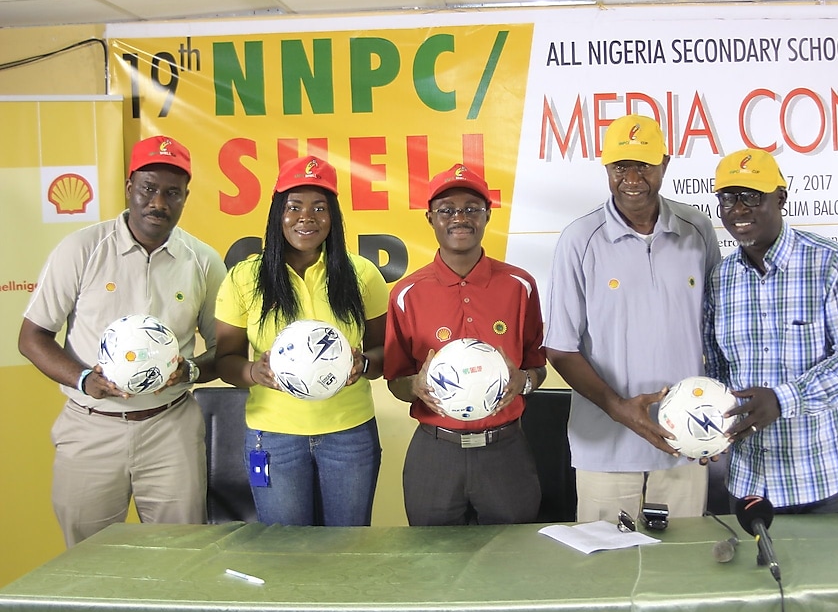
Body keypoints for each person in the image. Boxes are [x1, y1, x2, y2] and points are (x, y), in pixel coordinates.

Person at [18, 135, 227, 547]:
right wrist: (83, 379)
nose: (159, 203)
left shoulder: (203, 261)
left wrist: (195, 369)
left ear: (186, 196)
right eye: (148, 188)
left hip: (171, 427)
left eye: (172, 193)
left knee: (180, 556)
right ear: (129, 186)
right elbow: (33, 337)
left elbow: (227, 350)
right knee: (87, 561)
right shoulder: (81, 249)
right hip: (92, 424)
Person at [544, 114, 721, 522]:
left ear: (665, 163)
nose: (632, 177)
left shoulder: (697, 230)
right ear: (606, 168)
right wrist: (619, 408)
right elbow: (561, 347)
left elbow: (717, 330)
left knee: (679, 569)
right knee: (608, 574)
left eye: (643, 164)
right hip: (606, 448)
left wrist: (716, 414)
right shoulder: (579, 239)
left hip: (685, 438)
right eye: (621, 166)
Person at [703, 149, 838, 513]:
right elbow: (718, 371)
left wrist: (784, 399)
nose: (738, 209)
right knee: (754, 573)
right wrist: (708, 430)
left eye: (752, 196)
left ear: (780, 198)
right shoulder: (721, 279)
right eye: (728, 197)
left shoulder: (832, 262)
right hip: (749, 483)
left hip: (826, 478)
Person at [214, 155, 388, 527]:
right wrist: (251, 371)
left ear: (333, 217)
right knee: (287, 554)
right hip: (274, 436)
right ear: (278, 213)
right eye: (294, 206)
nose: (306, 217)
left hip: (349, 432)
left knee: (348, 548)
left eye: (319, 208)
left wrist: (365, 363)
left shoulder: (363, 274)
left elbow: (386, 351)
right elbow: (226, 359)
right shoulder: (245, 277)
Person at [383, 164, 547, 526]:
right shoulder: (407, 293)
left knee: (511, 559)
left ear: (487, 215)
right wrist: (414, 386)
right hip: (436, 452)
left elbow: (538, 367)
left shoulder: (521, 286)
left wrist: (526, 381)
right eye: (447, 210)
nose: (460, 218)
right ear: (430, 218)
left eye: (472, 209)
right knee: (433, 565)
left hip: (505, 451)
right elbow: (395, 381)